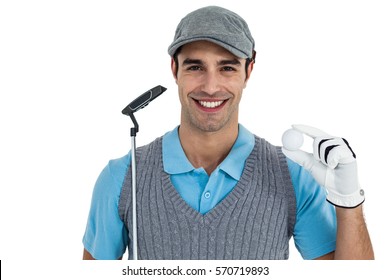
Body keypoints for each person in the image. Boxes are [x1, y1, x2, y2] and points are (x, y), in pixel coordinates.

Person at [82, 6, 374, 260]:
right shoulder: (122, 177)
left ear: (249, 70)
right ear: (174, 69)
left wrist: (348, 203)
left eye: (227, 68)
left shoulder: (292, 177)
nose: (210, 87)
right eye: (196, 67)